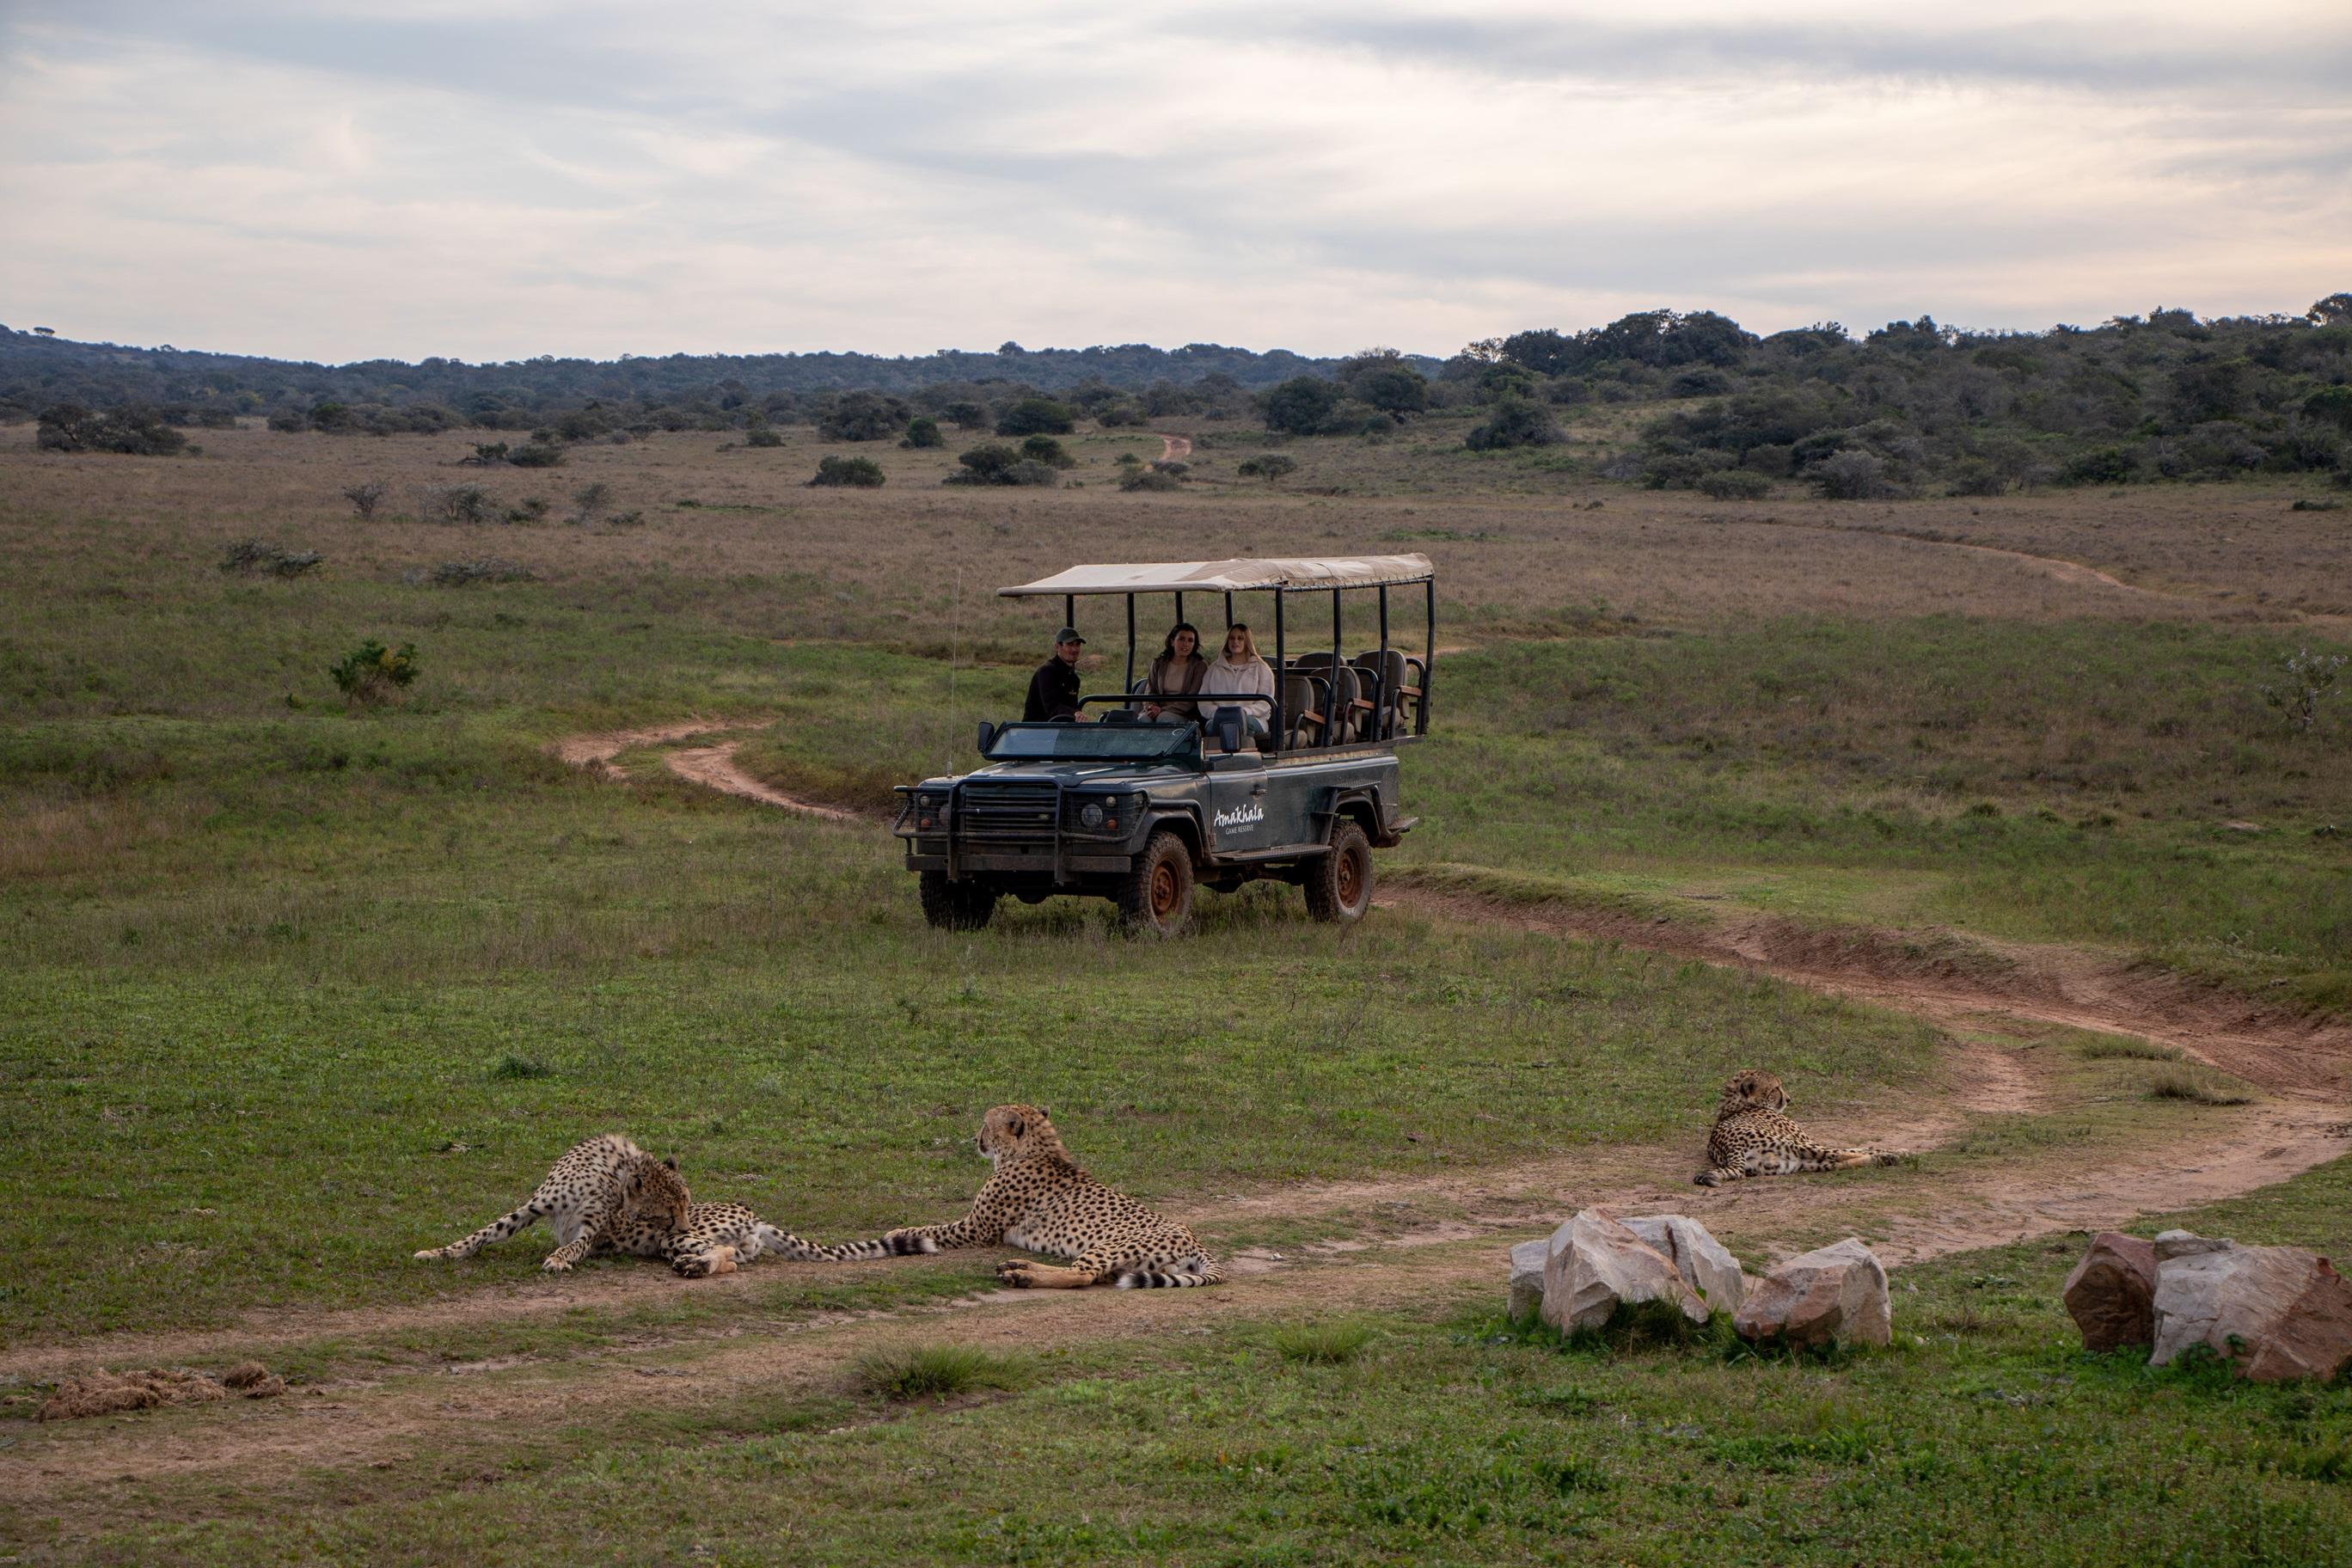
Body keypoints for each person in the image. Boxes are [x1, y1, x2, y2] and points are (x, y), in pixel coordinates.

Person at [1197, 623, 1274, 748]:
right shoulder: (1214, 669)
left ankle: (1244, 760)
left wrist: (1243, 712)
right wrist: (1218, 713)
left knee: (1242, 722)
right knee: (1213, 726)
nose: (1235, 641)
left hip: (1252, 718)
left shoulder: (1261, 668)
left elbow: (1265, 703)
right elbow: (1203, 701)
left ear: (1247, 641)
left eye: (1240, 638)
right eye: (1232, 638)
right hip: (1219, 717)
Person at [1141, 622, 1207, 720]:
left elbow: (1192, 699)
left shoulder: (1199, 666)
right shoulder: (1158, 663)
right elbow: (1150, 691)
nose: (1186, 644)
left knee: (1163, 718)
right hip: (1157, 710)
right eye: (1181, 639)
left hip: (1184, 713)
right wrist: (1152, 708)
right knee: (1144, 719)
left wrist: (1162, 710)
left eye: (1190, 640)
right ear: (1172, 642)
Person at [1022, 627, 1087, 722]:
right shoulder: (1046, 672)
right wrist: (1074, 713)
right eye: (1069, 645)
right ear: (1057, 647)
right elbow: (1052, 707)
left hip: (1058, 731)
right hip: (1035, 732)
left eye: (1077, 645)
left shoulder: (1074, 679)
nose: (1075, 649)